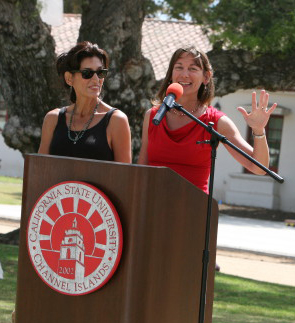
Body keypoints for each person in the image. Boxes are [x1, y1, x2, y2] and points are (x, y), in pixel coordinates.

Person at [138, 46, 277, 194]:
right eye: (179, 67)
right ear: (171, 74)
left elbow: (259, 168)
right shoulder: (152, 116)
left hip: (193, 210)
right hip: (151, 208)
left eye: (192, 69)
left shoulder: (217, 122)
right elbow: (141, 169)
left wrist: (258, 130)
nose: (184, 75)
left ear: (206, 77)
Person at [38, 41, 131, 163]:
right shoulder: (52, 119)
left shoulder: (116, 121)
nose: (96, 79)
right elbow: (39, 169)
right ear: (69, 78)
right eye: (87, 73)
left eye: (100, 72)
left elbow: (124, 177)